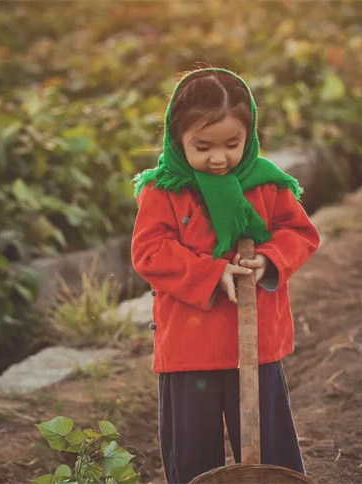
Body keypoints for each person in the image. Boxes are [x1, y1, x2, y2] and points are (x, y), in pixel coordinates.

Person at [130, 66, 320, 484]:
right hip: (188, 346)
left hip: (254, 343)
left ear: (248, 137)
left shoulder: (266, 186)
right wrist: (210, 272)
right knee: (193, 455)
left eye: (232, 144)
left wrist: (270, 258)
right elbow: (149, 251)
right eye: (203, 146)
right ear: (177, 139)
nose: (219, 158)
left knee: (270, 451)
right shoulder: (164, 190)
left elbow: (300, 233)